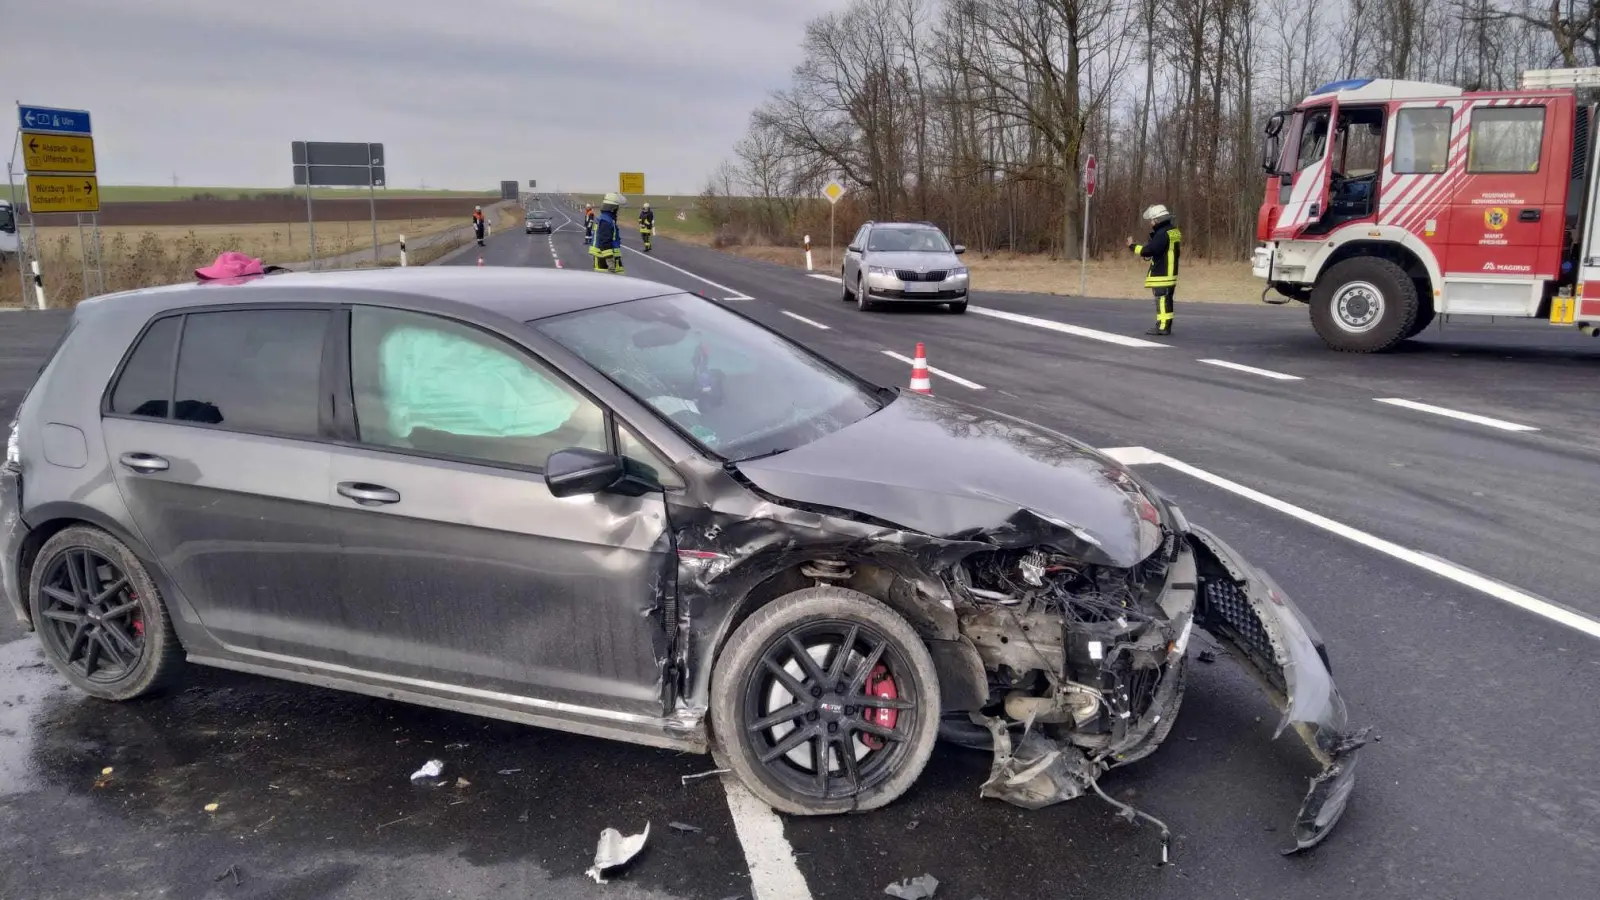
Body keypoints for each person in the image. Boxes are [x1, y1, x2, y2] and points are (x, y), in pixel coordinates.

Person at [1126, 204, 1181, 337]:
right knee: (1167, 300)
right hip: (1170, 272)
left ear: (1158, 220)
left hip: (1162, 273)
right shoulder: (1173, 230)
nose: (1151, 223)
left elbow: (1149, 250)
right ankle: (1166, 324)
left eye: (1152, 220)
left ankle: (1162, 326)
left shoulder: (1162, 233)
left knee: (1162, 300)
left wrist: (1132, 246)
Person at [590, 193, 627, 274]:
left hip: (607, 258)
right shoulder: (606, 221)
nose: (618, 210)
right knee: (607, 285)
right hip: (604, 260)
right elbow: (605, 241)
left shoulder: (607, 219)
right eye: (617, 208)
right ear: (613, 208)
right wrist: (610, 262)